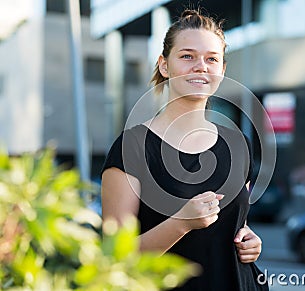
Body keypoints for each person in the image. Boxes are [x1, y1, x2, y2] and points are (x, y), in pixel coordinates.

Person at [101, 8, 269, 291]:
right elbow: (114, 260)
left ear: (222, 70)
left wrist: (250, 240)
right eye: (187, 56)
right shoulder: (132, 147)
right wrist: (180, 223)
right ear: (165, 65)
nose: (201, 66)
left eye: (211, 59)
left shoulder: (238, 144)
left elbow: (237, 223)